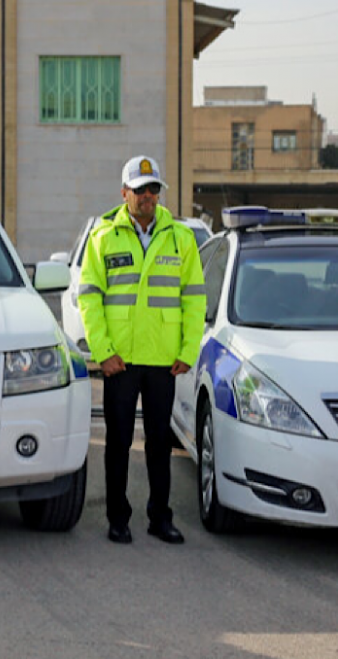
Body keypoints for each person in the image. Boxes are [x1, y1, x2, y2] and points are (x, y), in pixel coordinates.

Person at [78, 155, 205, 545]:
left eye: (154, 189)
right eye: (140, 190)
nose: (148, 196)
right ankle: (118, 518)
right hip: (120, 361)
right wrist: (103, 351)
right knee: (117, 443)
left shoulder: (180, 238)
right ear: (124, 193)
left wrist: (188, 350)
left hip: (163, 362)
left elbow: (194, 298)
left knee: (158, 445)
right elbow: (89, 298)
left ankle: (159, 517)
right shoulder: (103, 237)